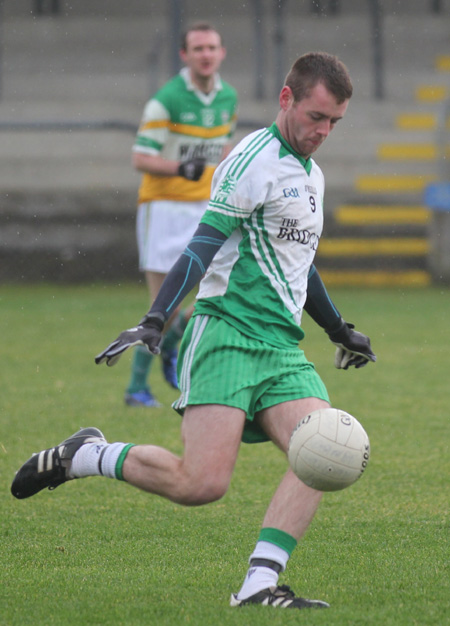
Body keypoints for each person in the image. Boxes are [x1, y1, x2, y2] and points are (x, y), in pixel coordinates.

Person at [11, 52, 376, 610]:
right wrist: (155, 319)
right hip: (226, 333)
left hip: (281, 347)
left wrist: (338, 330)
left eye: (334, 123)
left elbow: (300, 263)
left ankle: (259, 586)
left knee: (321, 451)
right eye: (316, 117)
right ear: (287, 99)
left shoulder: (312, 174)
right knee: (201, 484)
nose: (323, 132)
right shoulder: (249, 161)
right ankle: (85, 455)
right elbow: (202, 246)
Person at [126, 21, 238, 407]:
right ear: (185, 56)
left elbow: (223, 149)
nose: (206, 54)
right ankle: (136, 388)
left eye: (212, 47)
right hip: (164, 208)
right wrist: (179, 169)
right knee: (163, 305)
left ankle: (171, 346)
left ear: (222, 52)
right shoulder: (167, 100)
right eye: (198, 49)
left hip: (205, 208)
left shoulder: (228, 98)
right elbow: (140, 157)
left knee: (220, 289)